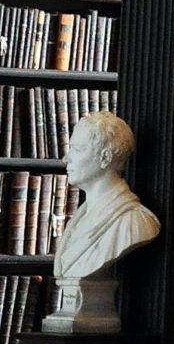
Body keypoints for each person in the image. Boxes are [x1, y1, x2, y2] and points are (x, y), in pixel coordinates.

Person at [51, 111, 160, 283]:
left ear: (105, 157)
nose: (66, 158)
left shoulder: (135, 222)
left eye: (77, 149)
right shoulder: (80, 218)